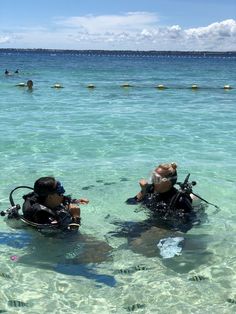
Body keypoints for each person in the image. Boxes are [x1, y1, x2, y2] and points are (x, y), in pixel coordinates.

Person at [126, 162, 199, 232]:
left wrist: (166, 231)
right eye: (152, 176)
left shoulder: (179, 200)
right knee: (123, 229)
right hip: (153, 221)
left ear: (167, 182)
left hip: (167, 226)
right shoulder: (149, 189)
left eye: (156, 178)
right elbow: (130, 202)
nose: (153, 180)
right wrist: (143, 191)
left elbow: (190, 223)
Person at [22, 177, 89, 231]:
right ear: (50, 196)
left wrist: (75, 201)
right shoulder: (45, 217)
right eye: (60, 193)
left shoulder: (40, 197)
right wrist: (76, 217)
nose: (63, 195)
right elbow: (69, 238)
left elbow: (61, 198)